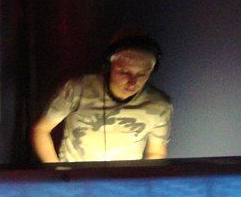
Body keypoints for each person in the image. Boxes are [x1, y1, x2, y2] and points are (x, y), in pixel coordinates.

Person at [32, 29, 173, 163]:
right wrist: (59, 173)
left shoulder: (159, 106)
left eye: (142, 74)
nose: (132, 82)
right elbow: (41, 130)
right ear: (109, 66)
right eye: (124, 72)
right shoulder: (77, 89)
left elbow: (156, 153)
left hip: (125, 179)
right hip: (76, 178)